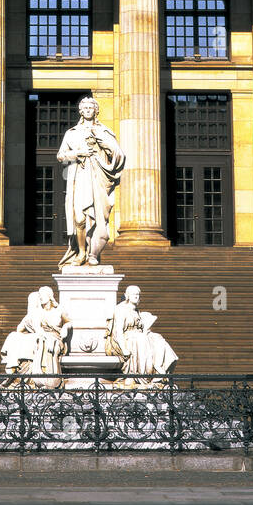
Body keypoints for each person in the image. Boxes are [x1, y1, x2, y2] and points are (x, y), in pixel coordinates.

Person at [56, 96, 125, 267]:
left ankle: (93, 253)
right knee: (79, 218)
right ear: (80, 111)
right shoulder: (72, 133)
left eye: (90, 107)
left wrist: (101, 143)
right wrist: (78, 153)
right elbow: (61, 156)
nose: (87, 110)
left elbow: (118, 155)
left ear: (96, 110)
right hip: (79, 177)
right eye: (84, 107)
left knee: (98, 218)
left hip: (99, 178)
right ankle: (81, 252)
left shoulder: (104, 131)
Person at [108, 286, 178, 378]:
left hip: (139, 336)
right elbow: (118, 332)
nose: (136, 296)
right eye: (134, 294)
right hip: (128, 338)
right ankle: (145, 374)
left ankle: (159, 367)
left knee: (157, 337)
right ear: (127, 296)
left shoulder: (136, 311)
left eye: (138, 294)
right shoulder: (121, 309)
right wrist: (124, 349)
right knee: (142, 339)